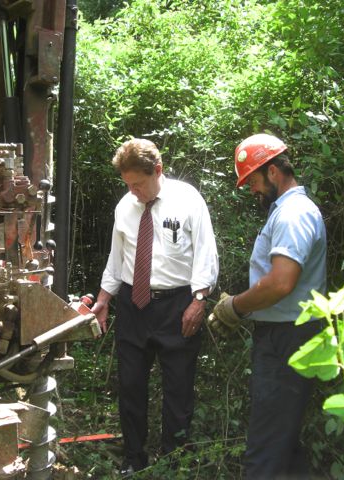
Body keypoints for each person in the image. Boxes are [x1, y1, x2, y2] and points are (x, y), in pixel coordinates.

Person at [91, 138, 219, 475]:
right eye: (128, 184)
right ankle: (134, 459)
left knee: (178, 387)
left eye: (138, 183)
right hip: (134, 305)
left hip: (178, 305)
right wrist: (104, 300)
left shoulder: (187, 200)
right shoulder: (125, 206)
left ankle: (174, 461)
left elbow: (206, 253)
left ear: (157, 170)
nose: (133, 191)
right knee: (131, 385)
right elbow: (116, 259)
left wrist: (199, 300)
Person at [207, 133, 327, 480]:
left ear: (273, 171)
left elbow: (280, 282)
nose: (251, 190)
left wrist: (235, 307)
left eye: (254, 181)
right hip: (286, 335)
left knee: (265, 448)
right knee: (282, 440)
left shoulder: (293, 214)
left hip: (289, 340)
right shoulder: (287, 211)